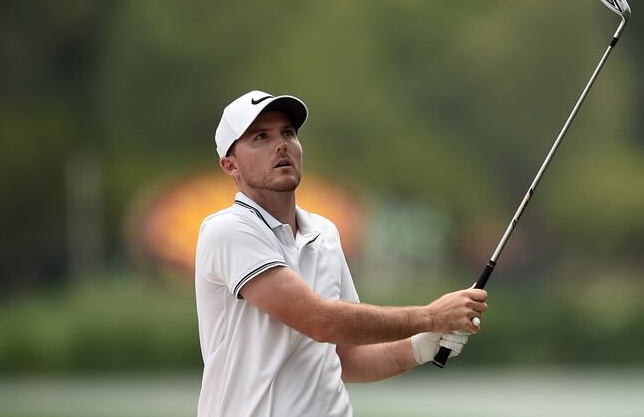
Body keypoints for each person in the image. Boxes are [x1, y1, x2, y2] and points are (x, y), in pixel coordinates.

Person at [195, 90, 488, 416]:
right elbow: (320, 321)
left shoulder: (326, 234)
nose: (281, 145)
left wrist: (421, 345)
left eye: (288, 133)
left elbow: (346, 357)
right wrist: (431, 316)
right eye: (261, 137)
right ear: (230, 164)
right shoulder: (228, 230)